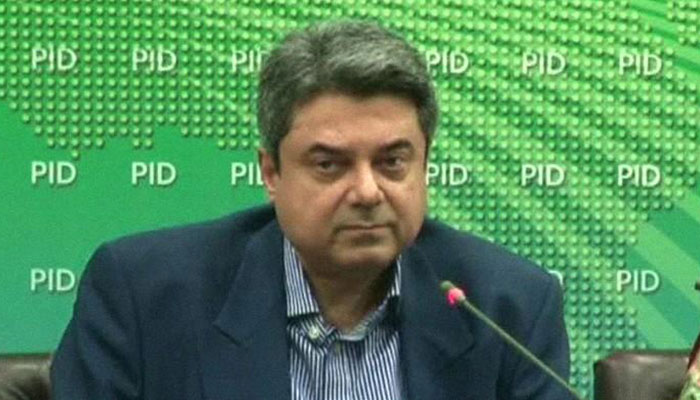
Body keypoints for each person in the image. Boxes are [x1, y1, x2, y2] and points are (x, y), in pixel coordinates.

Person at [51, 21, 572, 400]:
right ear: (271, 173)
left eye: (392, 162)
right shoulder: (144, 297)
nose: (367, 191)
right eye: (329, 165)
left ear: (425, 163)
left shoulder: (510, 307)